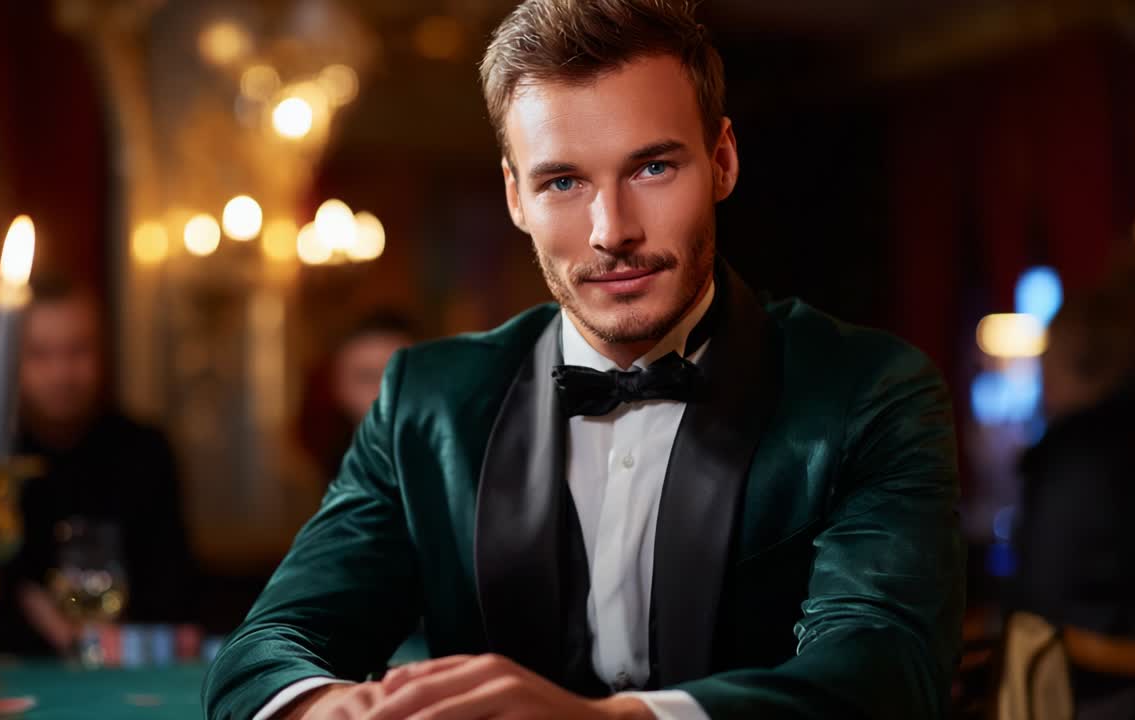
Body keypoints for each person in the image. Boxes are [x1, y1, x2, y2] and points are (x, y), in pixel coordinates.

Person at [203, 2, 965, 718]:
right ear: (515, 196)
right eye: (563, 181)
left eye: (652, 168)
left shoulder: (870, 389)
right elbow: (267, 651)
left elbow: (886, 669)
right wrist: (329, 709)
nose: (611, 231)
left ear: (723, 160)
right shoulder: (425, 402)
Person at [0, 274, 197, 656]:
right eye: (40, 354)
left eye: (77, 351)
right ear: (10, 358)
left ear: (104, 353)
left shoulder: (144, 452)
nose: (62, 373)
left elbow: (173, 589)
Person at [1010, 271, 1135, 718]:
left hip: (1093, 687)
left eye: (1048, 353)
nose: (1039, 370)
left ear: (1079, 361)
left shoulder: (1072, 452)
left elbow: (1039, 599)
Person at [300, 313, 417, 479]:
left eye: (400, 377)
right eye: (367, 377)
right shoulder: (312, 475)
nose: (385, 392)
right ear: (338, 386)